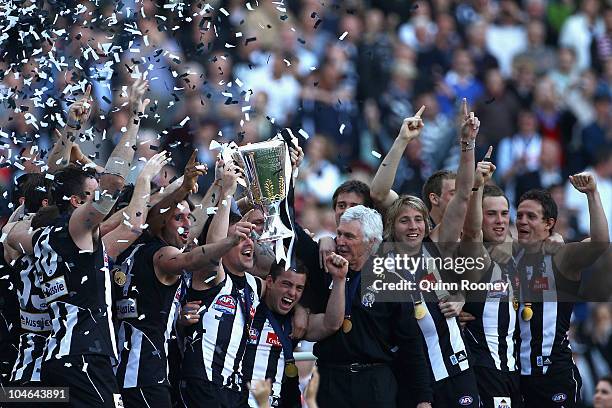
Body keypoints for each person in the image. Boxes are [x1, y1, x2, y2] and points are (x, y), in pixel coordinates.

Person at [380, 99, 481, 407]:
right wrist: (402, 141)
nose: (413, 227)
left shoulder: (436, 248)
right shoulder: (385, 263)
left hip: (458, 369)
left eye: (418, 220)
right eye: (404, 220)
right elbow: (378, 192)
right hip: (414, 378)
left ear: (427, 224)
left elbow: (463, 195)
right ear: (392, 227)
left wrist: (467, 143)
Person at [312, 205, 432, 408]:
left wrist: (423, 399)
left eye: (349, 236)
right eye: (339, 234)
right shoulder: (324, 268)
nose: (340, 242)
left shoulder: (392, 282)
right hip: (329, 380)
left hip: (374, 383)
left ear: (372, 243)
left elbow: (411, 343)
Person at [515, 174, 609, 407]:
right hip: (517, 375)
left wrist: (592, 194)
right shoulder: (510, 256)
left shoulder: (562, 257)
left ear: (549, 223)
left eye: (531, 217)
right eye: (519, 216)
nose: (522, 221)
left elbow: (599, 242)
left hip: (554, 372)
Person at [460, 153, 523, 408]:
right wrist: (477, 185)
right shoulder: (473, 256)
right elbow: (473, 231)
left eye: (504, 214)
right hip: (484, 368)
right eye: (491, 214)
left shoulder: (515, 255)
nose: (499, 221)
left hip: (514, 369)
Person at [241, 255, 347, 408]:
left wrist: (339, 280)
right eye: (286, 284)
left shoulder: (295, 322)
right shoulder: (247, 307)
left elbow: (331, 324)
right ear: (269, 282)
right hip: (237, 401)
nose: (292, 293)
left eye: (299, 288)